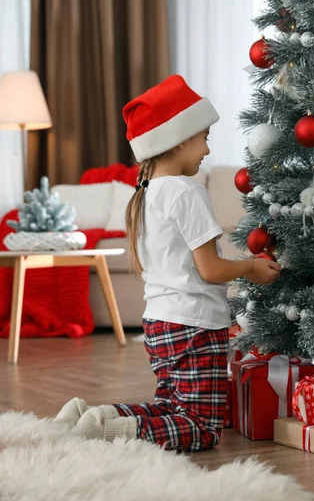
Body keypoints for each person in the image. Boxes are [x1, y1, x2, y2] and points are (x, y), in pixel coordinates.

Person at [54, 75, 281, 451]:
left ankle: (93, 416)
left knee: (171, 407)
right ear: (178, 139)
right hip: (194, 324)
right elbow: (210, 269)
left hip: (159, 323)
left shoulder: (146, 193)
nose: (208, 150)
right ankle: (112, 433)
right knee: (202, 427)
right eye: (204, 137)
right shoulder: (186, 192)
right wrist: (251, 268)